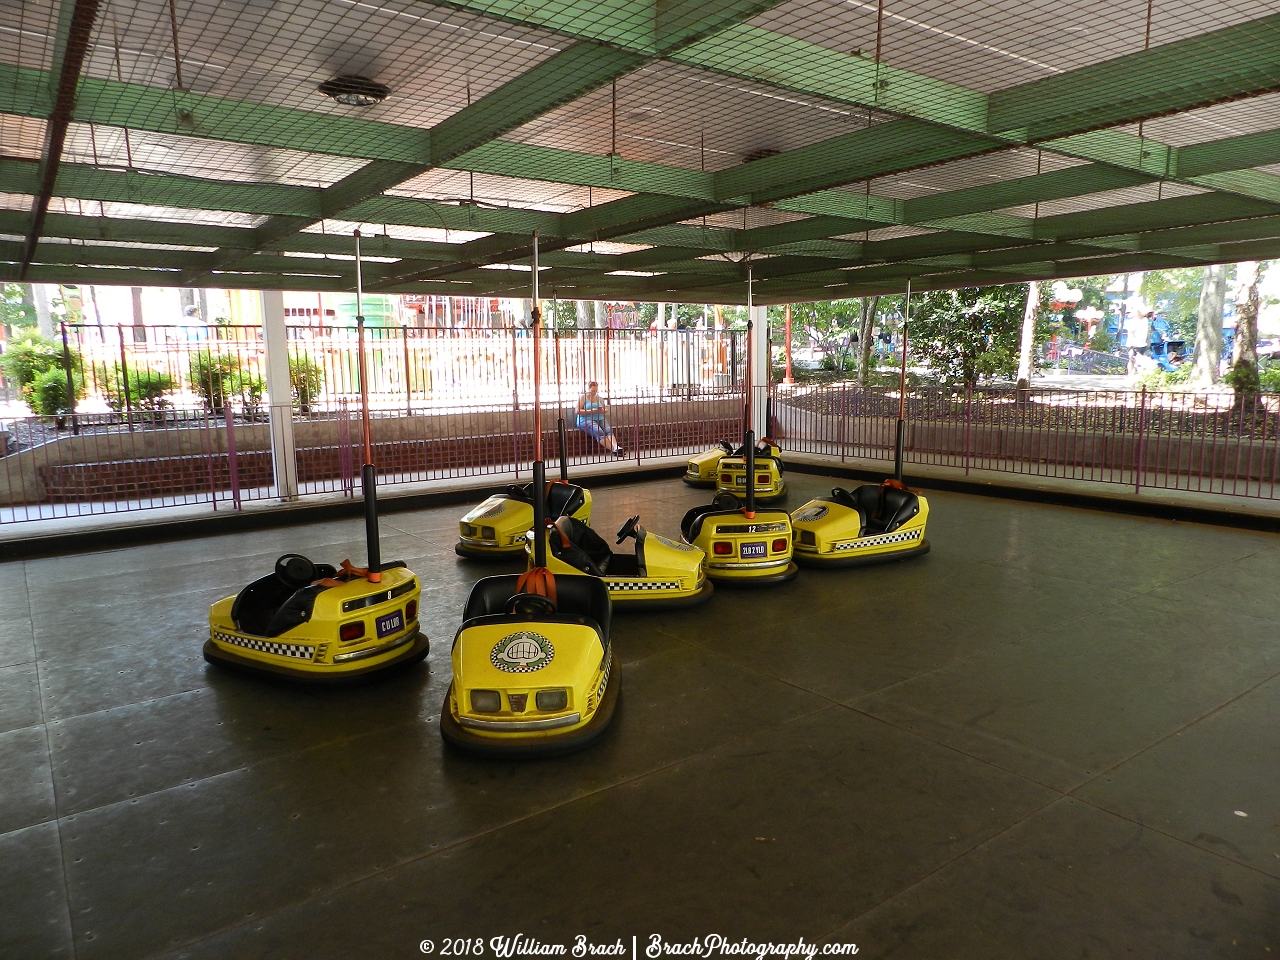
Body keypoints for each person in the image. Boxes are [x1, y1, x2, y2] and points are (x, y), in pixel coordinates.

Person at [576, 381, 625, 457]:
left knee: (608, 430)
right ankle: (615, 449)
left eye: (596, 391)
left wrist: (601, 410)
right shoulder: (583, 397)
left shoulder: (599, 398)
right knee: (599, 431)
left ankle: (616, 447)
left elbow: (606, 410)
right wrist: (592, 411)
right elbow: (577, 411)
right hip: (586, 419)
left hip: (599, 418)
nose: (594, 393)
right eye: (592, 391)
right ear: (588, 389)